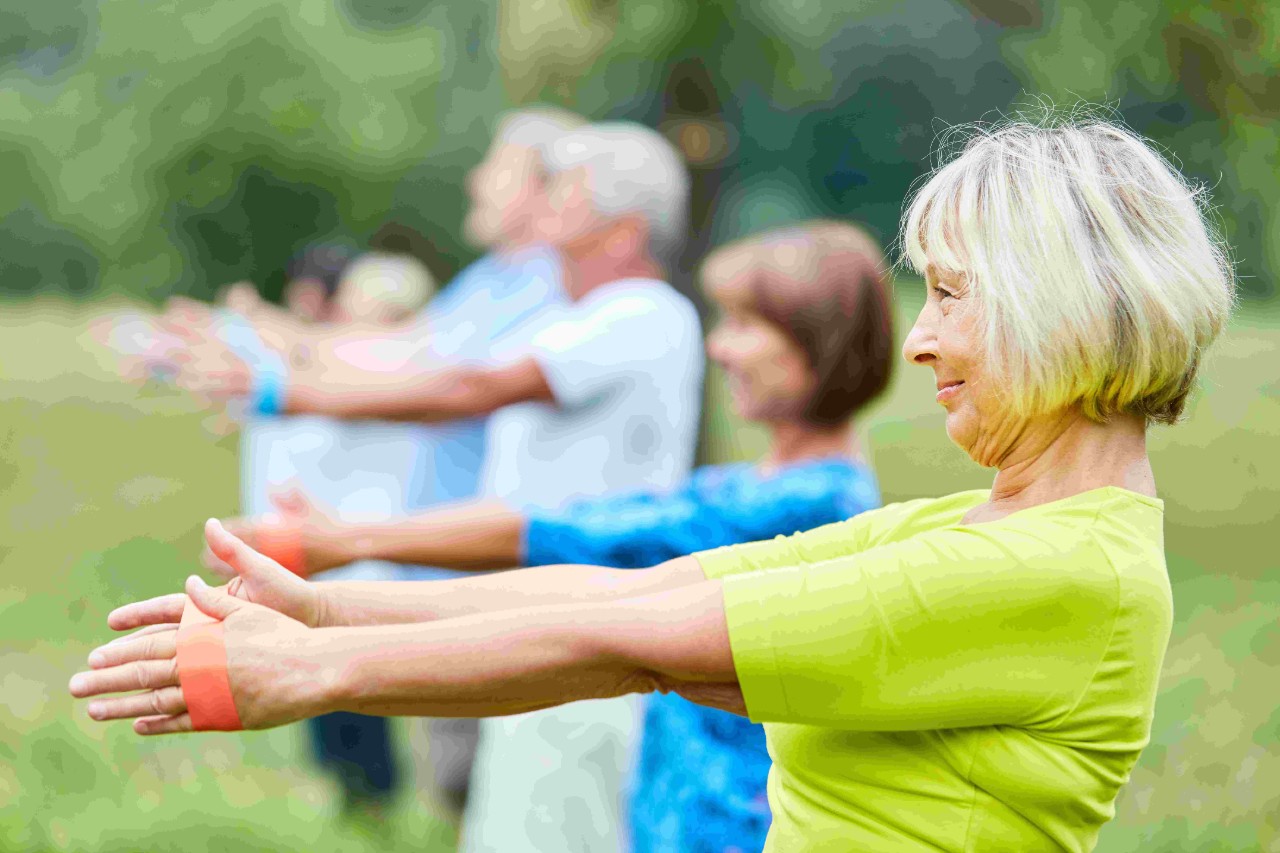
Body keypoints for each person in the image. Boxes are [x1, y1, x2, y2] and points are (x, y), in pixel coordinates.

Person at [74, 113, 1235, 852]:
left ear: (1060, 307)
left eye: (948, 293)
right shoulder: (972, 526)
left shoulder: (1050, 569)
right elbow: (627, 597)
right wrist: (331, 604)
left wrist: (323, 662)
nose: (918, 341)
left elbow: (628, 640)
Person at [210, 220, 894, 852]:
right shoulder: (747, 484)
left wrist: (348, 544)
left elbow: (577, 534)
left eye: (747, 325)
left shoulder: (808, 501)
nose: (720, 346)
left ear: (816, 342)